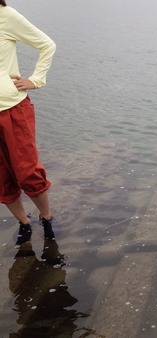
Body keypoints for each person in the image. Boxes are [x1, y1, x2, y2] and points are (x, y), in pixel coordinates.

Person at [0, 1, 57, 244]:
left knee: (27, 171)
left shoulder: (6, 16)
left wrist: (35, 79)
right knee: (2, 176)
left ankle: (47, 217)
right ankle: (24, 222)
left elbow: (47, 45)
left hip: (12, 109)